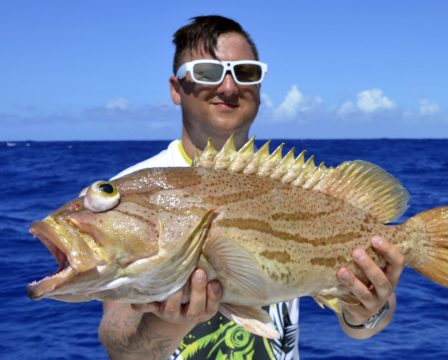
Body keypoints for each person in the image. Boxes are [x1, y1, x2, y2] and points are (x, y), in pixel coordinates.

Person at [99, 15, 404, 360]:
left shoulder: (293, 184)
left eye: (245, 73)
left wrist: (367, 311)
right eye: (207, 73)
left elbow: (367, 323)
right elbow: (118, 343)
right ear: (175, 88)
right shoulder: (131, 191)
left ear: (259, 86)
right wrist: (167, 323)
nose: (228, 87)